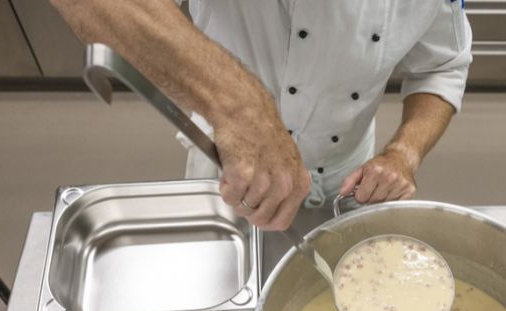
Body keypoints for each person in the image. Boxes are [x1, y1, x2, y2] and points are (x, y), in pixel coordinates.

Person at [50, 0, 472, 230]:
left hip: (350, 177)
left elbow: (442, 65)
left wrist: (403, 154)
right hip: (227, 165)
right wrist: (238, 108)